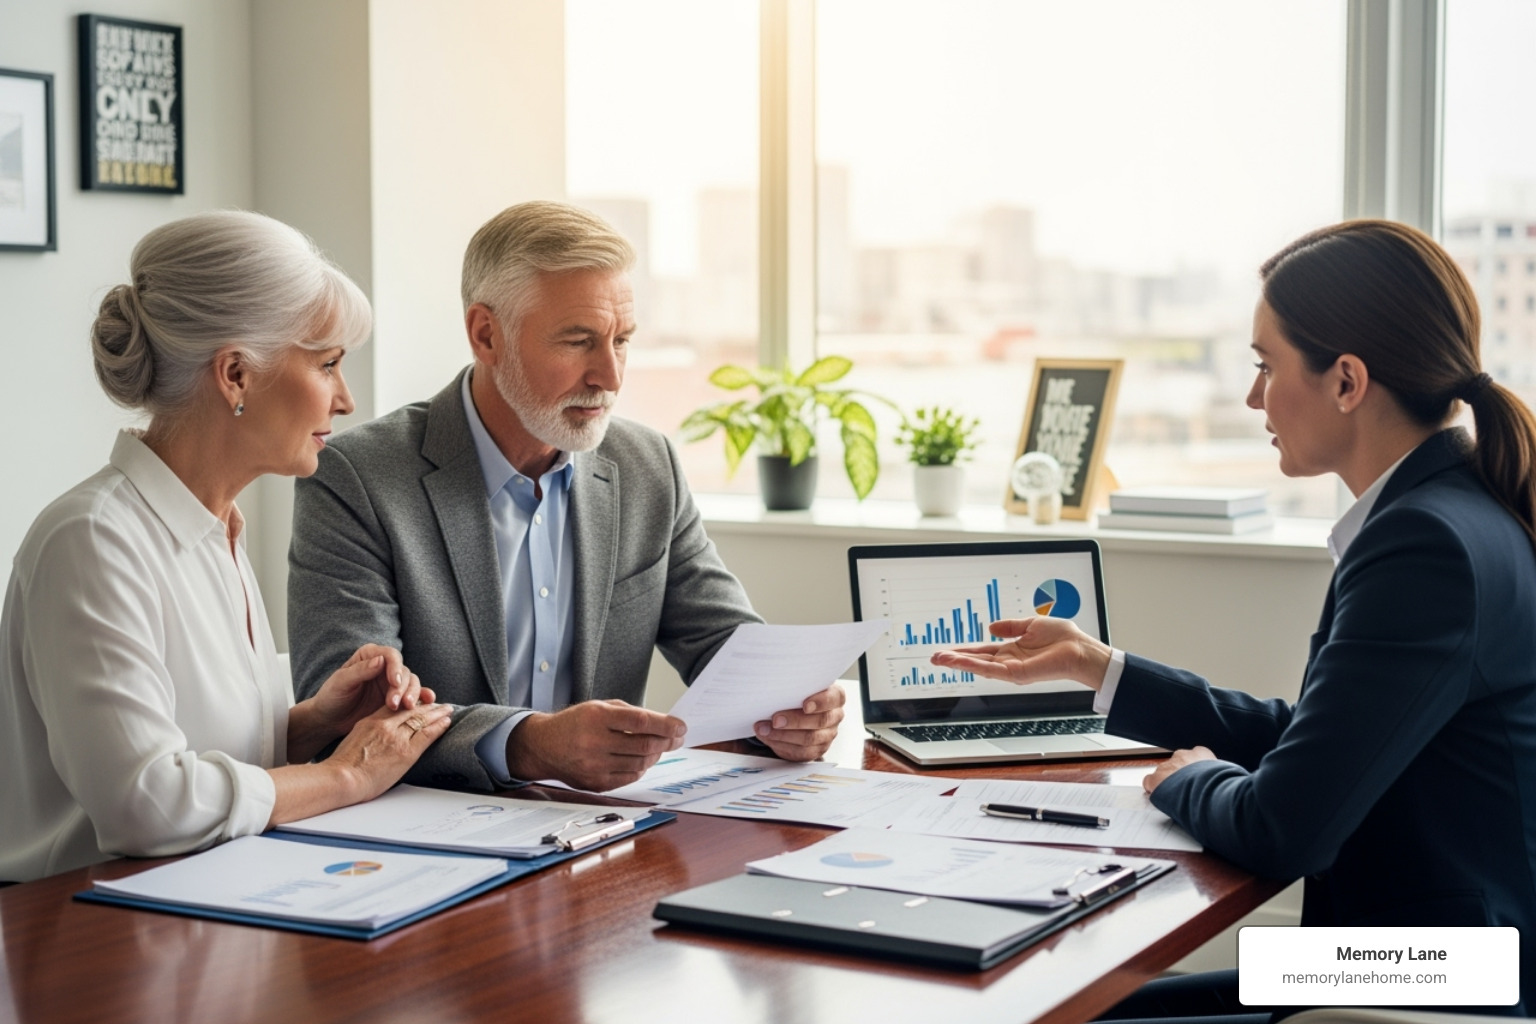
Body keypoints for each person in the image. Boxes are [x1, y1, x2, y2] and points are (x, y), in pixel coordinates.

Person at [934, 220, 1536, 1020]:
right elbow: (1318, 742)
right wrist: (1097, 667)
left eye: (1265, 365)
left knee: (1048, 1008)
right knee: (1077, 999)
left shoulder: (1423, 545)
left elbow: (1283, 830)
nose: (1254, 397)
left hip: (1436, 985)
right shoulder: (1458, 509)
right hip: (1436, 960)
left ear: (1347, 381)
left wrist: (1189, 779)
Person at [287, 200, 844, 794]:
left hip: (604, 825)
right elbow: (348, 716)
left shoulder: (647, 465)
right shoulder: (357, 478)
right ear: (486, 335)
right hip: (422, 823)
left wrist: (789, 708)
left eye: (621, 341)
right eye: (579, 342)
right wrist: (528, 744)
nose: (610, 376)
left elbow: (725, 645)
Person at [0, 211, 452, 884]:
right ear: (236, 374)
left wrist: (310, 724)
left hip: (207, 900)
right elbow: (146, 804)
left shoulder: (217, 532)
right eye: (328, 365)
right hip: (85, 925)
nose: (346, 399)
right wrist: (346, 774)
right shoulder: (92, 540)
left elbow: (193, 752)